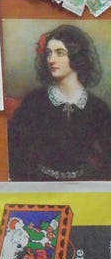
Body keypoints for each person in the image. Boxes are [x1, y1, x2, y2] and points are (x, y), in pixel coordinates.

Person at [8, 24, 111, 180]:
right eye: (49, 53)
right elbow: (15, 150)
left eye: (60, 53)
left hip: (85, 185)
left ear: (76, 57)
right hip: (40, 184)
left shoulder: (97, 107)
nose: (51, 59)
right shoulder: (34, 101)